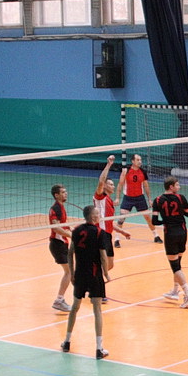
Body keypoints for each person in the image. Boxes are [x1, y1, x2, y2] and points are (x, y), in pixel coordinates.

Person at [61, 205, 112, 359]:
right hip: (95, 275)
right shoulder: (99, 233)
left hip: (80, 274)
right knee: (97, 310)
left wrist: (72, 273)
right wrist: (106, 273)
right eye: (97, 213)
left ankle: (67, 342)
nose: (99, 214)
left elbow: (70, 253)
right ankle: (99, 349)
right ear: (93, 217)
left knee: (75, 307)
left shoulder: (76, 231)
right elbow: (103, 256)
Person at [153, 175, 188, 308]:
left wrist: (166, 220)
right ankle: (175, 291)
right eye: (177, 185)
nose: (179, 187)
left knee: (175, 267)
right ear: (171, 187)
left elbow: (154, 221)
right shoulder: (181, 198)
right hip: (182, 233)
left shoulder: (158, 200)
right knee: (178, 264)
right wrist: (181, 210)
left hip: (170, 234)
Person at [114, 153, 161, 246]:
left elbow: (146, 186)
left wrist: (149, 199)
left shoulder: (143, 172)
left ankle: (156, 236)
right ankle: (117, 239)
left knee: (148, 218)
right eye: (138, 160)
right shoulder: (126, 171)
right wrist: (117, 198)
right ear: (133, 161)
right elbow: (120, 184)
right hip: (128, 198)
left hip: (140, 198)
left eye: (140, 160)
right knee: (121, 219)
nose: (140, 162)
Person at [48, 184, 73, 312]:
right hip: (57, 244)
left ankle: (81, 290)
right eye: (63, 192)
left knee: (70, 271)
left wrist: (71, 229)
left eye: (65, 191)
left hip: (62, 243)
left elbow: (63, 224)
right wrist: (71, 235)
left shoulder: (61, 207)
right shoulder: (55, 209)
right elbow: (56, 228)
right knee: (69, 272)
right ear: (56, 195)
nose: (66, 193)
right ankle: (59, 300)